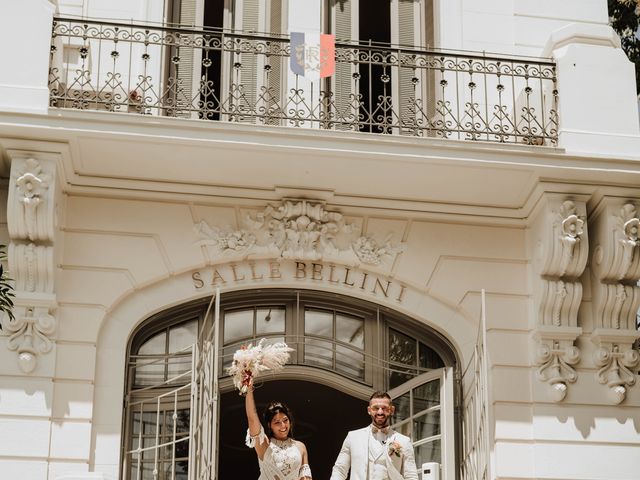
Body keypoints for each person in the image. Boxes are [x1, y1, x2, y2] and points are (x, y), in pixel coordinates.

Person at [330, 391, 418, 480]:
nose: (380, 412)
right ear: (369, 410)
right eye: (376, 408)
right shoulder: (353, 437)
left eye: (384, 408)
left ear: (392, 410)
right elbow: (340, 470)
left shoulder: (404, 441)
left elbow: (411, 476)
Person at [244, 381, 312, 480]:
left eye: (285, 420)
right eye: (277, 422)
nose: (283, 425)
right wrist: (249, 389)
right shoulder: (264, 444)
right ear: (269, 425)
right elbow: (252, 417)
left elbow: (306, 478)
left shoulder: (300, 447)